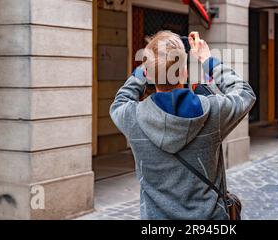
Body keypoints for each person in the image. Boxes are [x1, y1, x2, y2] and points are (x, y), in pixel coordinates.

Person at [110, 31, 256, 219]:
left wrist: (147, 67)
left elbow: (121, 100)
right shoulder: (212, 112)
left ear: (147, 74)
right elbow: (244, 93)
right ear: (185, 72)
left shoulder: (132, 117)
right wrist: (207, 60)